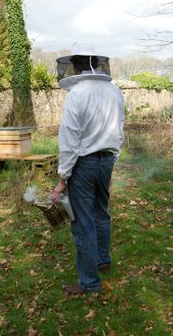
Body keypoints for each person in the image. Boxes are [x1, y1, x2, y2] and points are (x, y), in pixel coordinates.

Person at [52, 43, 125, 295]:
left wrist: (62, 178)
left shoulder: (77, 94)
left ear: (77, 65)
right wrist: (113, 156)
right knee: (101, 212)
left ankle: (89, 283)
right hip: (107, 160)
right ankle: (102, 261)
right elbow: (120, 130)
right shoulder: (115, 91)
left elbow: (70, 139)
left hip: (84, 164)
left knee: (83, 222)